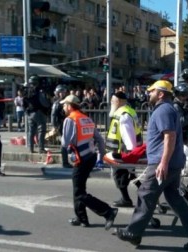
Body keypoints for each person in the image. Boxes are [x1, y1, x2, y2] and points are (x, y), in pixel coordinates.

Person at [114, 80, 188, 251]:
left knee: (146, 193)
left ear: (160, 94)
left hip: (163, 163)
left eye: (151, 91)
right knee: (174, 199)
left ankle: (133, 232)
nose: (148, 93)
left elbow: (170, 137)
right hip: (171, 162)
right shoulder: (168, 109)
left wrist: (163, 162)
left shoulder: (163, 110)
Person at [60, 94, 118, 229]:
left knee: (79, 192)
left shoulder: (70, 120)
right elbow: (99, 139)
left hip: (81, 159)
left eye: (64, 105)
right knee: (79, 188)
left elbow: (65, 143)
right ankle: (81, 218)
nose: (63, 107)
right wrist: (102, 156)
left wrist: (60, 134)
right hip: (90, 157)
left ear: (69, 106)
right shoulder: (86, 119)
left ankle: (108, 212)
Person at [106, 91, 143, 207]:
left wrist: (131, 154)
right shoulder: (127, 111)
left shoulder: (124, 115)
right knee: (131, 176)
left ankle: (127, 199)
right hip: (121, 151)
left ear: (120, 101)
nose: (112, 103)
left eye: (113, 101)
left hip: (122, 153)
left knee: (120, 177)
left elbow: (129, 136)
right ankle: (145, 195)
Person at [23, 75, 50, 153]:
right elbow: (44, 102)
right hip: (39, 112)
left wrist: (26, 111)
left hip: (30, 113)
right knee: (42, 130)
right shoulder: (39, 90)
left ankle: (31, 148)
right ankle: (41, 148)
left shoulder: (26, 90)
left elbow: (23, 102)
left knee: (31, 131)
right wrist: (47, 107)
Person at [51, 84, 71, 168]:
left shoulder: (65, 101)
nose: (63, 93)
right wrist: (55, 126)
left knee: (68, 143)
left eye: (64, 92)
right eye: (61, 92)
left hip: (66, 124)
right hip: (61, 125)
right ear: (58, 93)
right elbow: (53, 115)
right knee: (64, 144)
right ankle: (65, 162)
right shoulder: (57, 103)